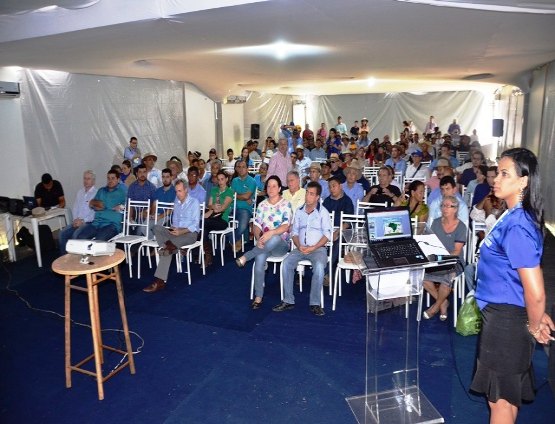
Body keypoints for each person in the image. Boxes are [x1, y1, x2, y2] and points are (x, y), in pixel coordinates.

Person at [470, 148, 555, 423]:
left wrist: (533, 324)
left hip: (506, 323)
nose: (496, 178)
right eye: (498, 171)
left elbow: (536, 291)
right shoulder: (511, 214)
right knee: (508, 395)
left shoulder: (518, 225)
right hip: (505, 317)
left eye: (505, 173)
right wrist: (533, 320)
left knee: (499, 402)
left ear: (523, 182)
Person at [273, 182, 332, 316]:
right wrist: (299, 246)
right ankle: (288, 300)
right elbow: (294, 233)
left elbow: (327, 235)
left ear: (317, 197)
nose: (308, 196)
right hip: (300, 247)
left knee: (318, 267)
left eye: (311, 194)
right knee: (286, 263)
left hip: (318, 249)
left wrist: (314, 247)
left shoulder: (323, 212)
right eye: (307, 193)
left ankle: (315, 303)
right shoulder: (299, 211)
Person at [235, 176, 292, 309]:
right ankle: (258, 297)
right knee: (260, 258)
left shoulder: (286, 204)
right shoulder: (262, 205)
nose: (271, 188)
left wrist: (270, 233)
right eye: (268, 186)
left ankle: (247, 256)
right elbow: (256, 225)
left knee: (276, 237)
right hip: (264, 245)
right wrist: (258, 238)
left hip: (281, 245)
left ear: (279, 188)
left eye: (274, 186)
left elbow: (285, 226)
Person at [143, 179, 200, 293]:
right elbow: (174, 222)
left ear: (186, 190)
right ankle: (169, 246)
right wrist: (174, 229)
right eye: (176, 191)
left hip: (189, 234)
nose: (177, 194)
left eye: (180, 191)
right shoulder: (176, 202)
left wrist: (181, 231)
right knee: (156, 228)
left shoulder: (194, 202)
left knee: (167, 251)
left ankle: (159, 282)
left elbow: (194, 225)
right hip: (176, 233)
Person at [422, 195, 467, 321]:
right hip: (437, 259)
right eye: (443, 205)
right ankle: (443, 302)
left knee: (447, 278)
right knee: (423, 278)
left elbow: (457, 251)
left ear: (455, 209)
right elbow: (429, 242)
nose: (445, 208)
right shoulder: (436, 223)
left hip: (454, 261)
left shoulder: (461, 227)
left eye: (449, 206)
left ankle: (435, 307)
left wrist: (442, 256)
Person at [76, 169, 127, 241]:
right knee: (80, 237)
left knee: (99, 241)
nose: (110, 180)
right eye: (108, 178)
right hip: (97, 223)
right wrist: (99, 205)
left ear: (118, 180)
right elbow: (91, 204)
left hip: (111, 225)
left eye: (113, 178)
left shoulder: (122, 192)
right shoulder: (101, 190)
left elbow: (128, 206)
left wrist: (100, 205)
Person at [58, 170, 98, 254]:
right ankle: (65, 260)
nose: (86, 181)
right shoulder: (80, 192)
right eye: (84, 178)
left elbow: (95, 213)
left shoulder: (96, 193)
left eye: (88, 179)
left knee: (76, 235)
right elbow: (75, 208)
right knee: (62, 234)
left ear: (93, 181)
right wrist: (75, 220)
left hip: (89, 223)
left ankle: (75, 262)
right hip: (77, 221)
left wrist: (83, 221)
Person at [203, 171, 234, 266]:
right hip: (212, 218)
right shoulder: (214, 190)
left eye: (222, 179)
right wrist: (213, 207)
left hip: (222, 220)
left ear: (226, 179)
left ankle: (206, 252)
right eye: (219, 179)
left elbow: (223, 208)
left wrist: (213, 208)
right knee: (203, 227)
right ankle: (208, 254)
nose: (220, 182)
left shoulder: (230, 191)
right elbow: (209, 204)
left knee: (202, 224)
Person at [230, 160, 256, 252]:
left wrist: (237, 196)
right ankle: (237, 240)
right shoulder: (234, 180)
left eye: (243, 167)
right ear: (236, 169)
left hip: (245, 208)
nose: (241, 169)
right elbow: (231, 195)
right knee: (223, 222)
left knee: (242, 226)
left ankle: (231, 239)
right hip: (232, 207)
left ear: (247, 168)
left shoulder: (252, 181)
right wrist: (243, 197)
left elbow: (246, 196)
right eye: (239, 167)